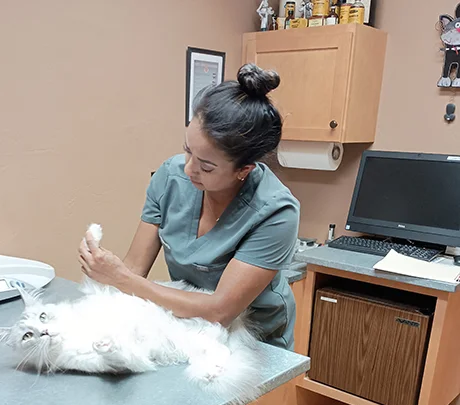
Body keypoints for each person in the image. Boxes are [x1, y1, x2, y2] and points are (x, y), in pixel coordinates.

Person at [78, 63, 300, 350]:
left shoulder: (276, 212)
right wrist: (106, 273)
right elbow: (134, 270)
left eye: (206, 166)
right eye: (187, 150)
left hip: (255, 340)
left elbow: (220, 311)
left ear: (243, 169)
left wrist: (120, 278)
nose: (188, 169)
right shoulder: (170, 176)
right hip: (188, 329)